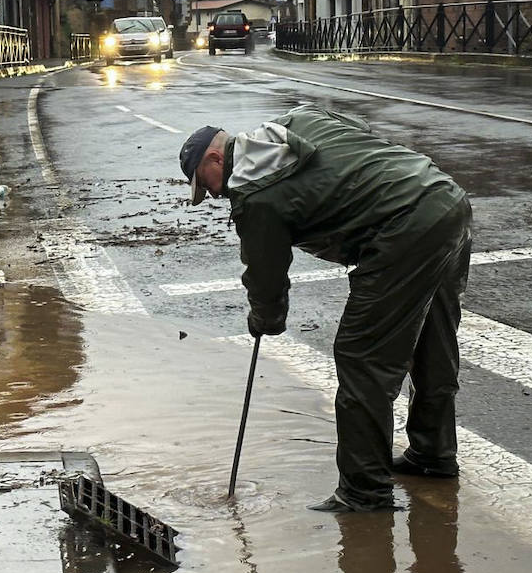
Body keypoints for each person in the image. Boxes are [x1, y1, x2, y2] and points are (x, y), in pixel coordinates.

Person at [178, 105, 473, 513]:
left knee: (362, 357)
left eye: (204, 184)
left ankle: (364, 491)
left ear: (215, 158)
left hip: (402, 229)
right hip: (444, 198)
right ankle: (432, 454)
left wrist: (264, 320)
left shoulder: (254, 193)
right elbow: (360, 126)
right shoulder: (295, 120)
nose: (212, 195)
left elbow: (266, 275)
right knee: (432, 344)